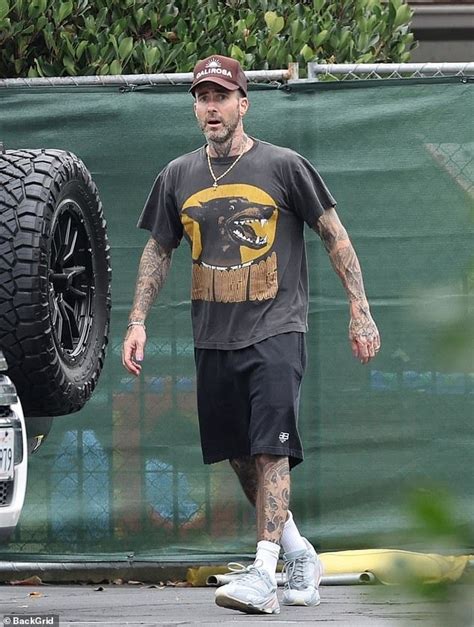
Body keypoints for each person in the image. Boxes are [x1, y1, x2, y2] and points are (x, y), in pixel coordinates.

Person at [122, 54, 380, 616]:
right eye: (202, 98)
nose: (211, 107)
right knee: (239, 454)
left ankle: (264, 572)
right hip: (214, 337)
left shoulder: (284, 165)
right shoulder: (177, 176)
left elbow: (334, 234)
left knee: (270, 448)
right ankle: (298, 553)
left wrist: (360, 309)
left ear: (244, 103)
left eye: (221, 96)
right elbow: (158, 250)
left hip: (277, 329)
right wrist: (137, 320)